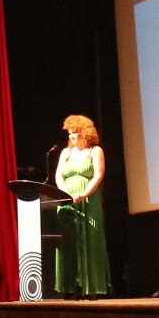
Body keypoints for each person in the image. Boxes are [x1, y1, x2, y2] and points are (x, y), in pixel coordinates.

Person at [54, 114, 111, 295]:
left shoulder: (95, 151)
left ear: (84, 133)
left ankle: (92, 286)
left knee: (90, 239)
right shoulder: (66, 152)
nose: (70, 136)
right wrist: (66, 194)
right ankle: (69, 286)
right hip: (67, 201)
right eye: (69, 133)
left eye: (74, 133)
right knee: (69, 241)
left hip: (88, 200)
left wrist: (84, 194)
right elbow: (58, 176)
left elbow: (98, 175)